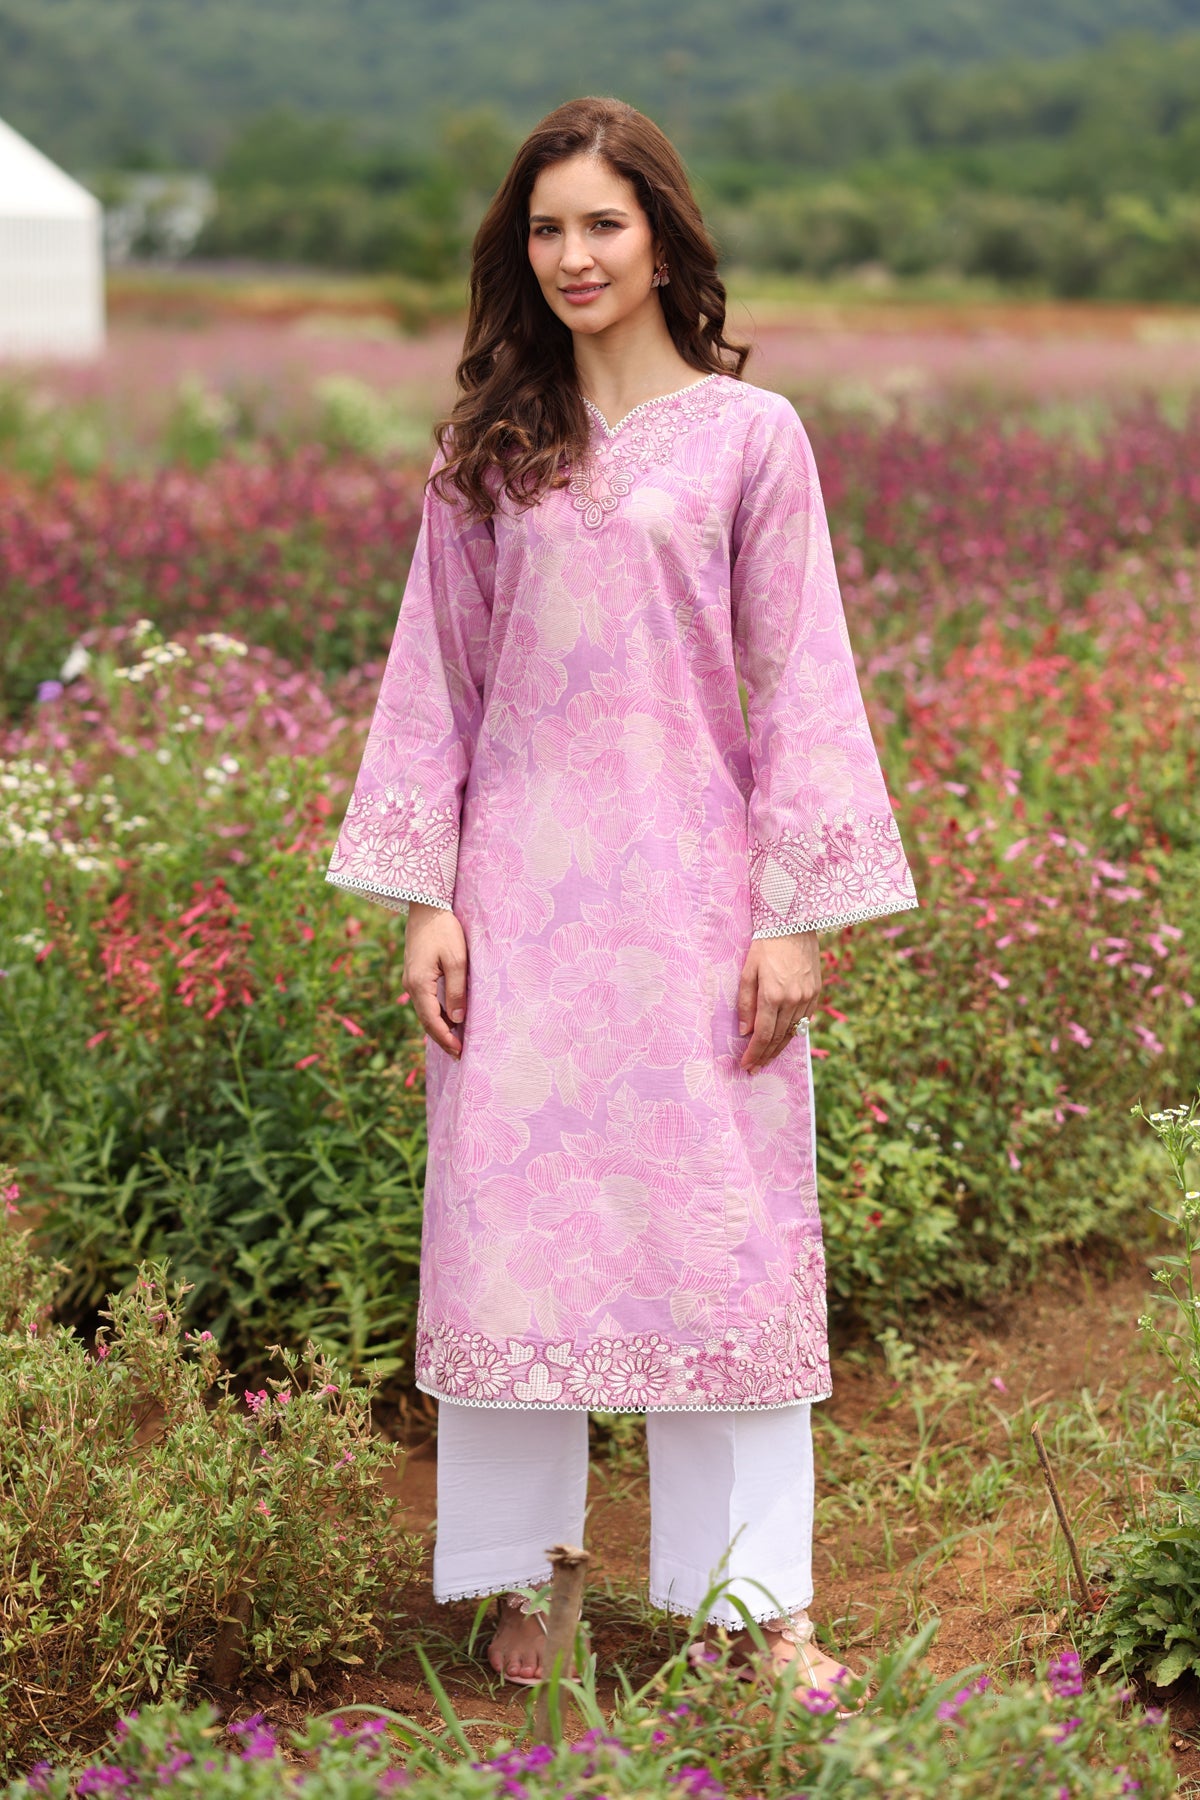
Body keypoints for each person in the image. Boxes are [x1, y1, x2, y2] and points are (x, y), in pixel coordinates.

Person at [326, 95, 917, 1701]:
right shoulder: (485, 450)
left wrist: (794, 913)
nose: (573, 255)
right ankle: (529, 1574)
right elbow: (435, 684)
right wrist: (426, 898)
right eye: (546, 227)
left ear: (663, 236)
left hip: (695, 904)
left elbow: (803, 679)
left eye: (603, 222)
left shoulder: (752, 438)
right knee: (513, 1229)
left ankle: (755, 1599)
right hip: (517, 903)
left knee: (724, 1236)